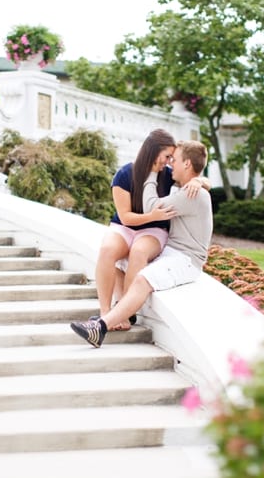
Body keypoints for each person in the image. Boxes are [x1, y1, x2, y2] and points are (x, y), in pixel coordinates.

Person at [72, 140, 213, 347]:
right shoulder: (184, 189)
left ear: (187, 164)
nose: (170, 163)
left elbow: (150, 206)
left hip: (186, 260)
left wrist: (154, 174)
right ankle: (120, 314)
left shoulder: (194, 194)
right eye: (169, 158)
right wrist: (200, 180)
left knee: (142, 279)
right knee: (120, 264)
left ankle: (100, 327)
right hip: (172, 254)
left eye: (175, 159)